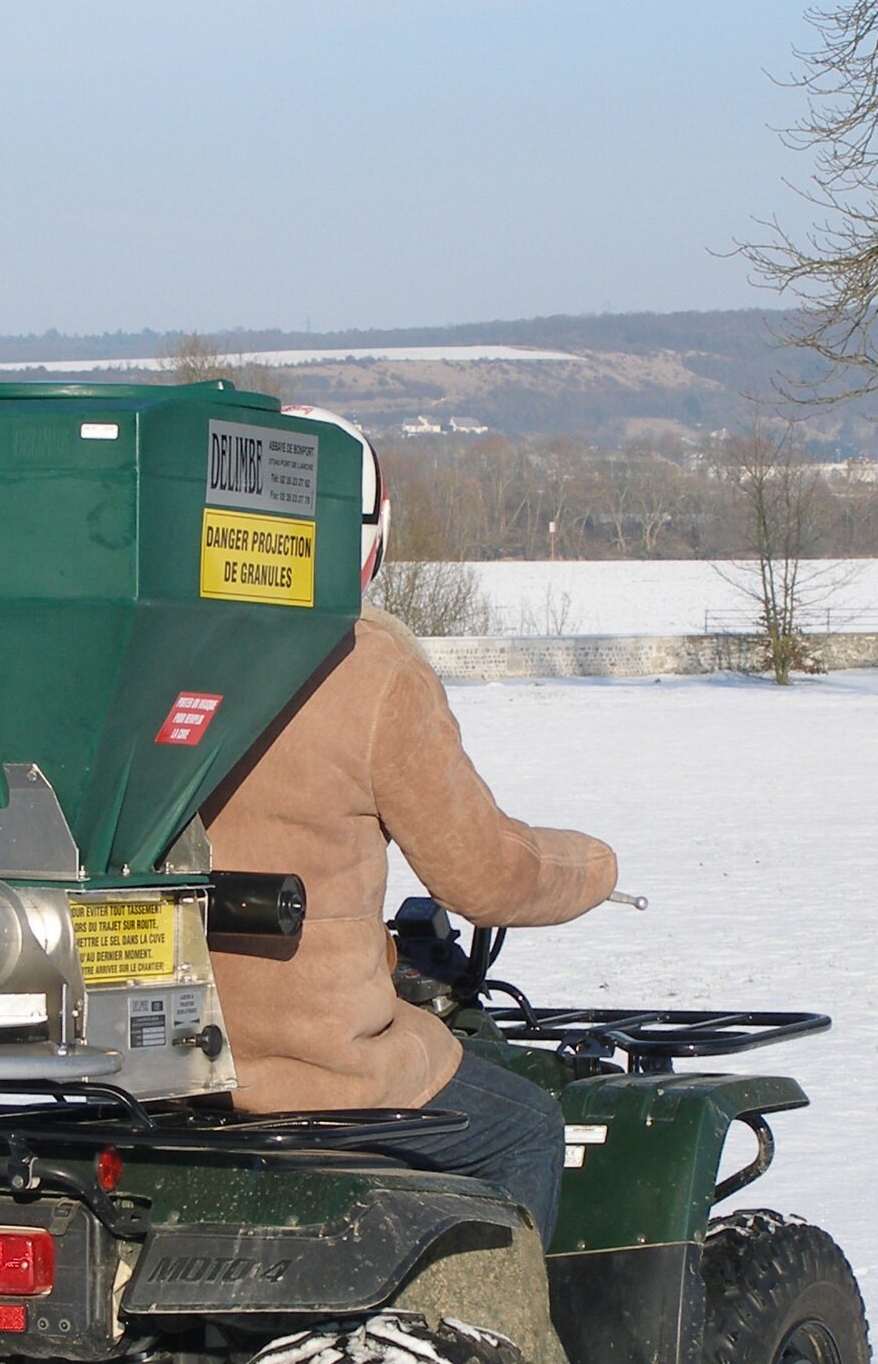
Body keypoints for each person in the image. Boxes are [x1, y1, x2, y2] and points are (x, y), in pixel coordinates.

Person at [202, 412, 617, 1237]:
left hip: (158, 1069)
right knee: (526, 1128)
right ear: (368, 544)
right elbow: (483, 876)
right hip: (321, 1075)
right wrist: (593, 867)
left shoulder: (156, 651)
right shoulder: (372, 674)